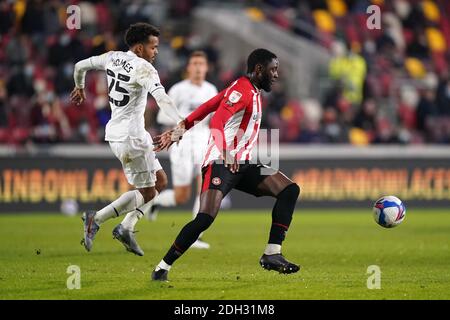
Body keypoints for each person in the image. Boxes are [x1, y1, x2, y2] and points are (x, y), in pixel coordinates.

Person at [151, 48, 301, 281]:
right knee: (205, 218)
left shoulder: (248, 89)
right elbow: (217, 120)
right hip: (221, 162)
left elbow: (207, 106)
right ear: (259, 69)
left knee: (289, 190)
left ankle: (272, 253)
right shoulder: (242, 90)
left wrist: (178, 130)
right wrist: (226, 151)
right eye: (273, 69)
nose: (276, 75)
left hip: (243, 163)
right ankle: (162, 267)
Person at [70, 23, 183, 256]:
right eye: (154, 47)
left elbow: (79, 65)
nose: (156, 52)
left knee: (160, 181)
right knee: (149, 192)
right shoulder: (145, 69)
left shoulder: (112, 57)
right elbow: (161, 98)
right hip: (130, 138)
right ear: (140, 48)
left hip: (124, 133)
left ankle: (126, 228)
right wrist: (181, 122)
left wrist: (79, 87)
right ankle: (96, 218)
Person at [150, 51, 218, 249]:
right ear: (188, 67)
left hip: (203, 141)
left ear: (206, 68)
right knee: (181, 196)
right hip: (182, 141)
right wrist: (182, 121)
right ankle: (156, 201)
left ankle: (196, 235)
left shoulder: (211, 89)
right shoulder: (178, 90)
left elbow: (214, 117)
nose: (198, 67)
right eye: (194, 63)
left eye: (201, 64)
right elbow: (162, 117)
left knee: (205, 186)